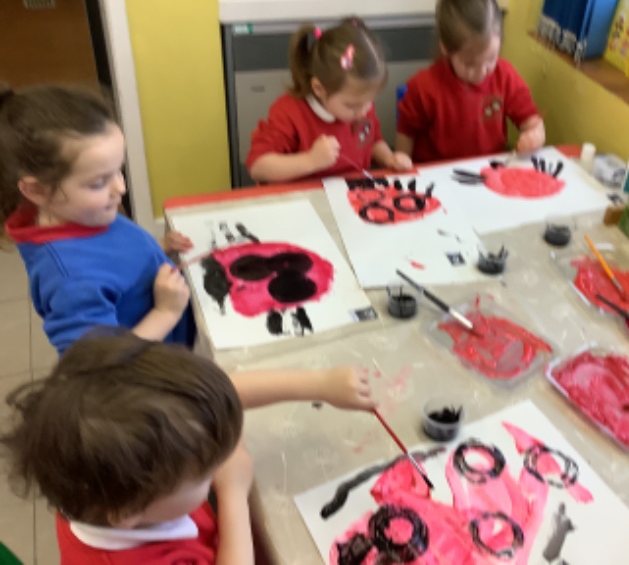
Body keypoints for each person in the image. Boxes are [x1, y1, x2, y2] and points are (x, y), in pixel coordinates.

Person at [0, 328, 376, 564]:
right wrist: (232, 495)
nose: (222, 463)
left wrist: (320, 384)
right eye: (205, 472)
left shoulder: (91, 477)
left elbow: (219, 393)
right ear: (130, 510)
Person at [0, 85, 195, 354]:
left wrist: (158, 249)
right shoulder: (70, 280)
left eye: (119, 170)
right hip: (148, 371)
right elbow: (96, 366)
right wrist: (165, 313)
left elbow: (112, 260)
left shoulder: (83, 213)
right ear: (38, 190)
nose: (120, 188)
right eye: (99, 182)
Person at [247, 17, 412, 183]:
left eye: (370, 101)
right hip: (305, 196)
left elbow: (372, 140)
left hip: (352, 192)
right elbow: (258, 166)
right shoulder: (289, 112)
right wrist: (311, 161)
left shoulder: (361, 104)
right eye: (351, 106)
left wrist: (389, 157)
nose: (363, 112)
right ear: (319, 88)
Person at [396, 0, 545, 164]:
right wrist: (403, 160)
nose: (482, 71)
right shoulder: (424, 86)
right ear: (446, 49)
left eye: (491, 59)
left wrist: (535, 136)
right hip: (438, 170)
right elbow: (406, 133)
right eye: (469, 64)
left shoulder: (505, 76)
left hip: (488, 168)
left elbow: (532, 122)